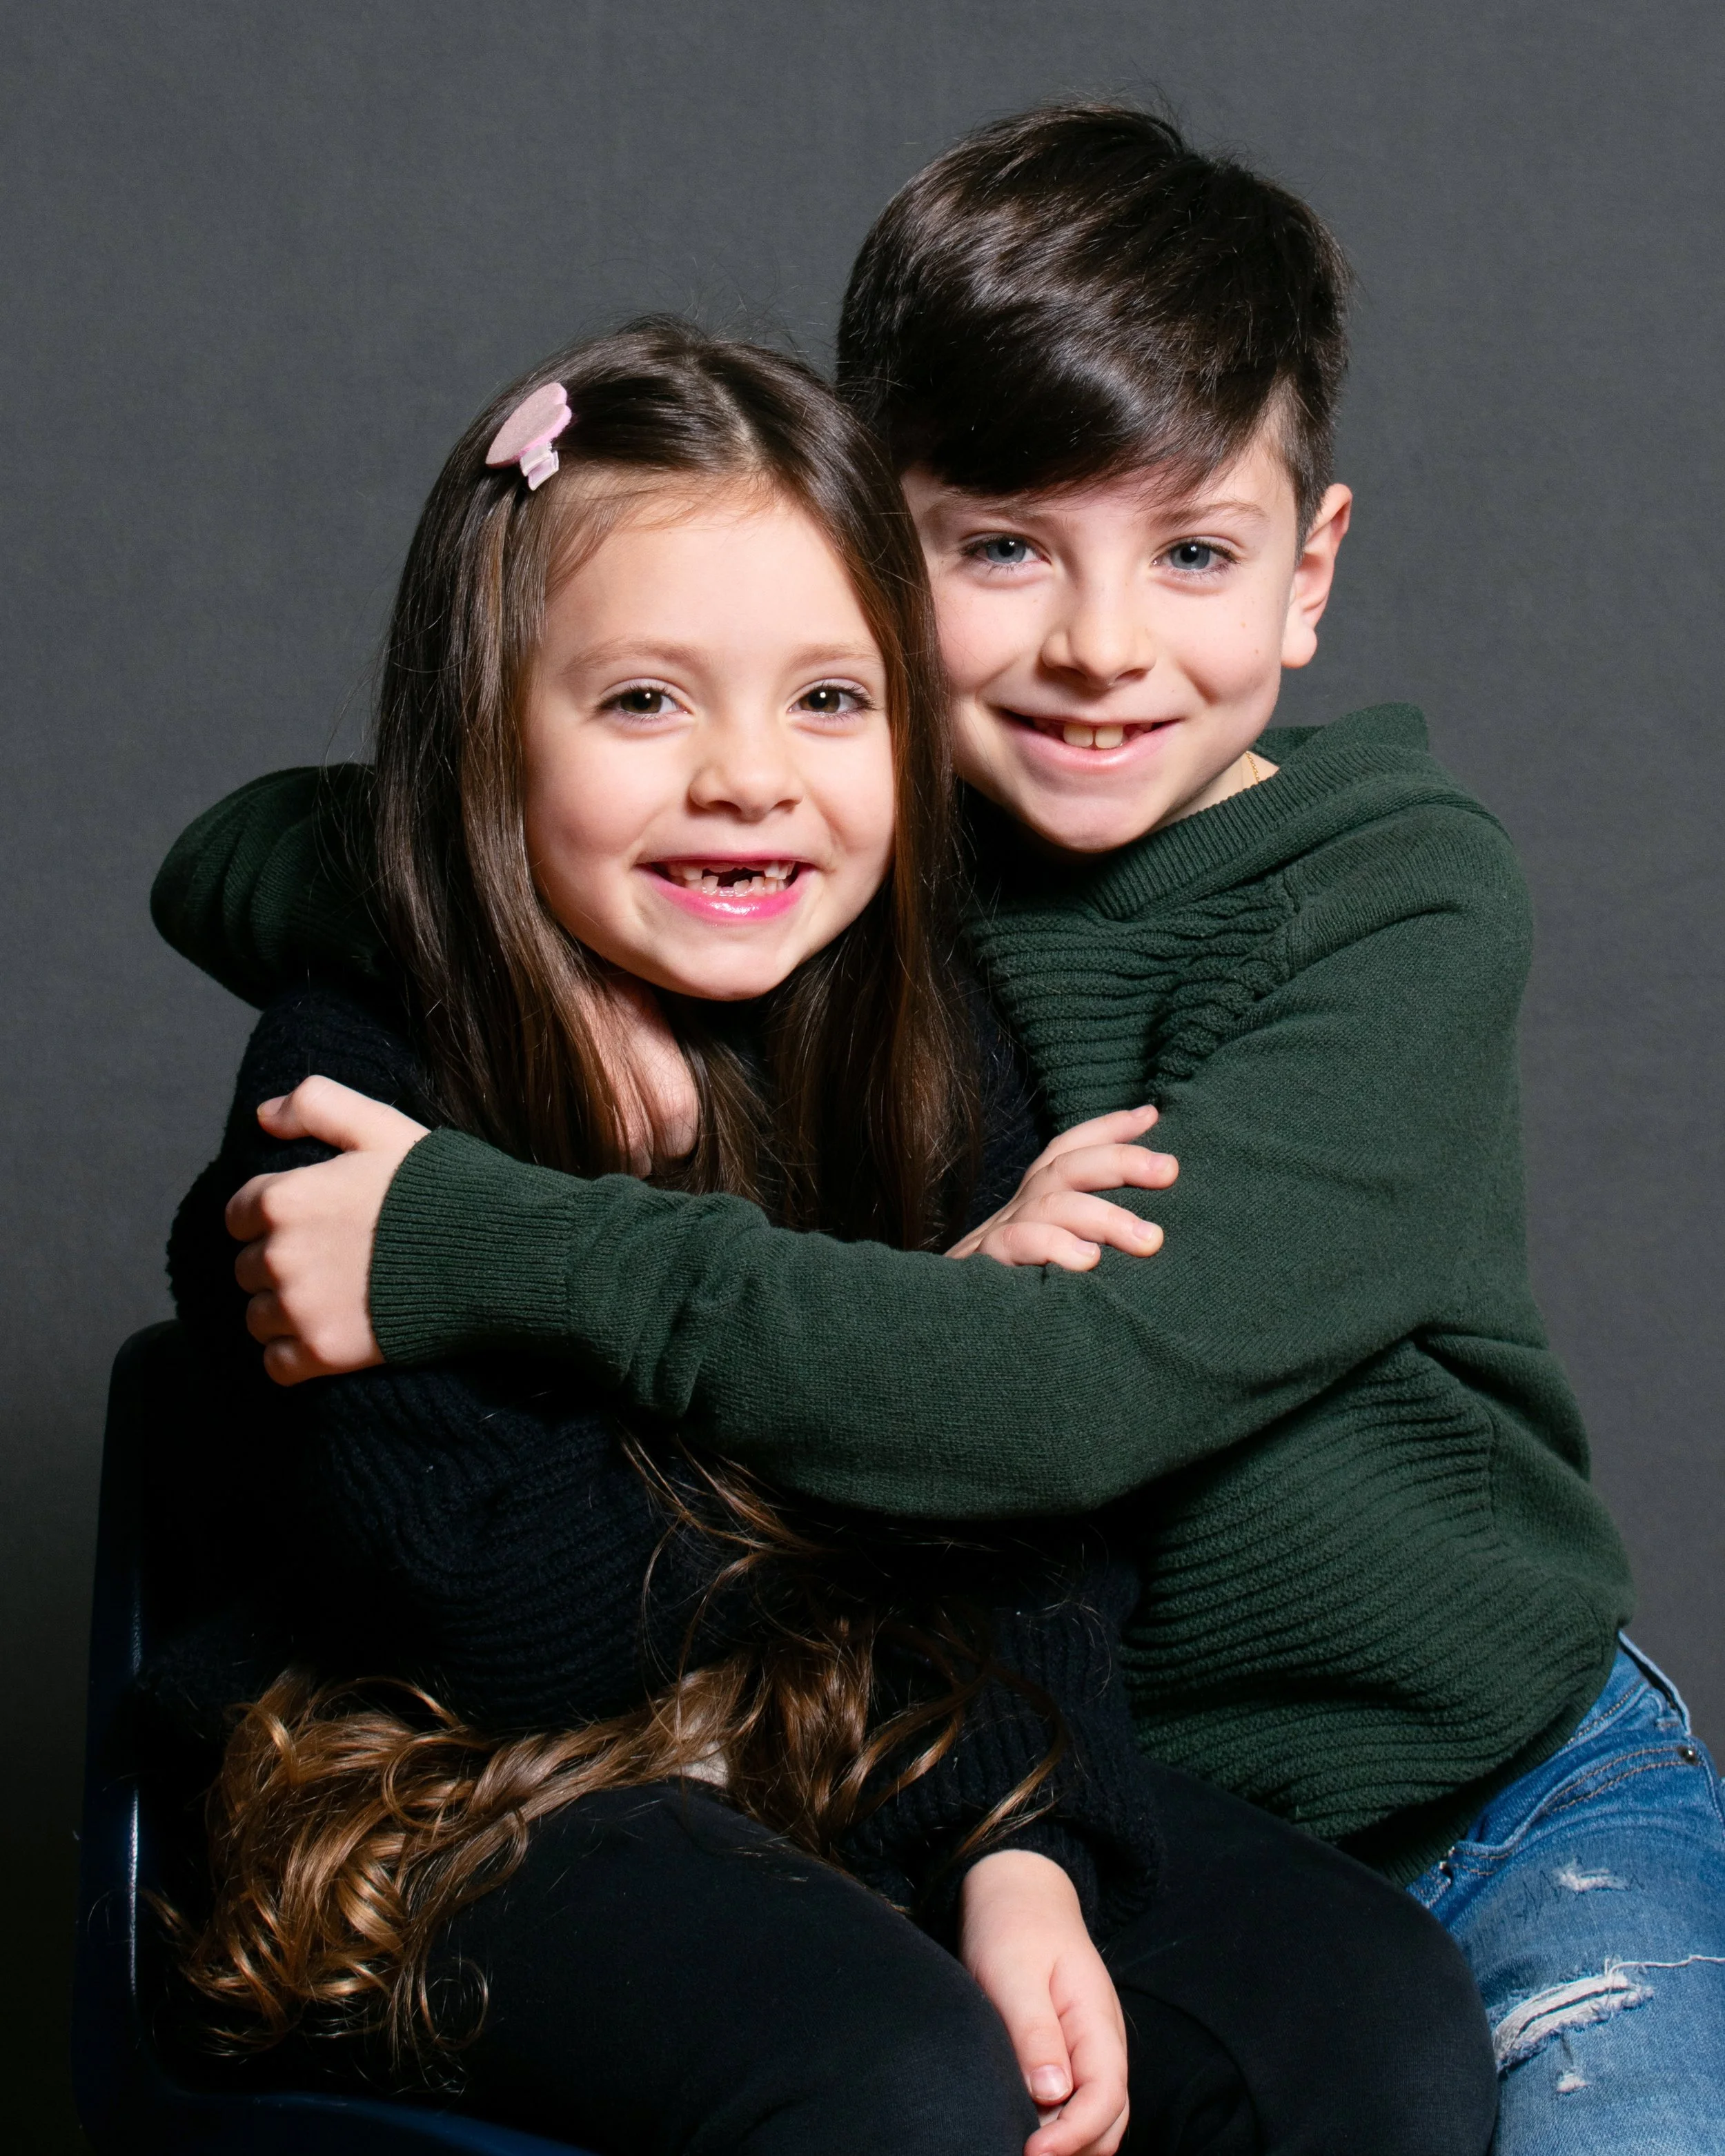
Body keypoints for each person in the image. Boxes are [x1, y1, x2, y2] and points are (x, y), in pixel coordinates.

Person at [158, 101, 1725, 2144]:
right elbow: (258, 852)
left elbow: (1048, 1410)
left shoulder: (1373, 903)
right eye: (999, 550)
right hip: (1028, 1759)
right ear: (885, 564)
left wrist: (489, 1231)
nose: (1097, 646)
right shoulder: (859, 846)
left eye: (1192, 551)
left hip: (1486, 1779)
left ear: (1306, 569)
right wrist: (509, 946)